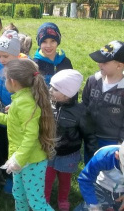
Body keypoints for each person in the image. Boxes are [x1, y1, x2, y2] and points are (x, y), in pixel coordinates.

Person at [0, 59, 55, 211]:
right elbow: (13, 121)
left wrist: (18, 159)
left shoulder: (24, 103)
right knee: (19, 195)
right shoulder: (20, 99)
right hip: (19, 159)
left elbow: (31, 136)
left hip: (31, 161)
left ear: (12, 82)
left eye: (4, 80)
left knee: (37, 203)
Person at [45, 69, 97, 211]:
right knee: (46, 179)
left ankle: (63, 199)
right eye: (51, 86)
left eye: (55, 89)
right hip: (49, 151)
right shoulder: (49, 105)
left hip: (69, 154)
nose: (50, 90)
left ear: (67, 94)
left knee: (65, 180)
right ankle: (44, 201)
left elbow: (89, 135)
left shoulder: (81, 112)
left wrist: (93, 153)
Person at [0, 30, 22, 194]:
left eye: (6, 56)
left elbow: (26, 92)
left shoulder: (22, 70)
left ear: (16, 54)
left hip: (16, 118)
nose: (2, 60)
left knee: (12, 149)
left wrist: (15, 104)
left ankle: (11, 179)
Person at [82, 41, 124, 151]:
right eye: (99, 60)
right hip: (90, 136)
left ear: (119, 66)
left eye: (104, 62)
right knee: (90, 165)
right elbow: (85, 104)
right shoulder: (93, 81)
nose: (99, 64)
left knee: (107, 168)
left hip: (112, 141)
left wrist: (121, 143)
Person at [75, 143, 124, 211]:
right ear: (117, 155)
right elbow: (85, 179)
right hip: (101, 186)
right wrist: (93, 205)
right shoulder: (105, 156)